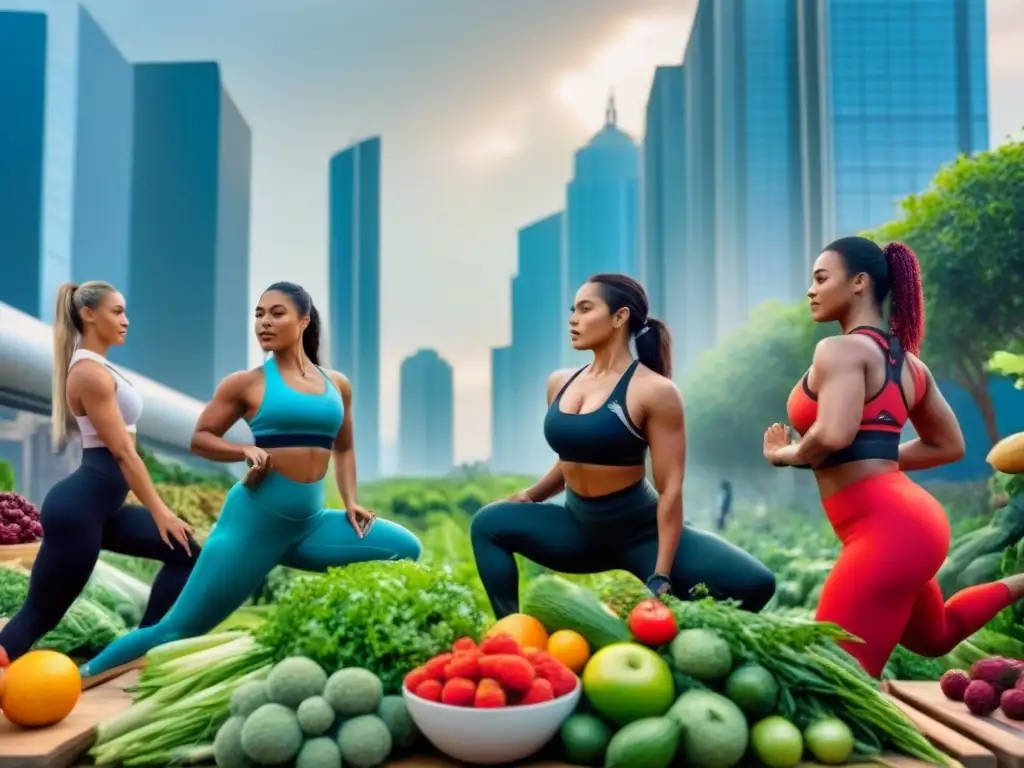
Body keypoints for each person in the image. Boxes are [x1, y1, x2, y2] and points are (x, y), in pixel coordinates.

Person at [80, 282, 422, 677]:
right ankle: (83, 675)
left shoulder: (336, 385)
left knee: (404, 548)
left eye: (277, 313)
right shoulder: (247, 383)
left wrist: (350, 501)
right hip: (252, 528)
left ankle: (360, 655)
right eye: (259, 314)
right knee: (176, 629)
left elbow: (344, 448)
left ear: (304, 320)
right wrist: (242, 451)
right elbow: (200, 438)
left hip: (309, 524)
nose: (264, 322)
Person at [764, 236, 1024, 678]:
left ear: (859, 283)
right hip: (908, 520)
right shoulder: (910, 365)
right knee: (933, 636)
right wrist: (877, 462)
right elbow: (948, 445)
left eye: (821, 278)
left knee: (837, 674)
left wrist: (784, 453)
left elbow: (833, 432)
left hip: (887, 530)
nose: (811, 289)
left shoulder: (839, 349)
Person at [471, 273, 776, 619]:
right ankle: (511, 635)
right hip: (578, 527)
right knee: (488, 523)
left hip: (640, 534)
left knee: (756, 583)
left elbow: (671, 488)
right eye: (573, 309)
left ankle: (690, 632)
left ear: (620, 317)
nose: (573, 318)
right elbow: (572, 457)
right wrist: (532, 495)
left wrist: (660, 575)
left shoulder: (654, 391)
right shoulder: (560, 382)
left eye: (586, 309)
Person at [0, 282, 198, 664]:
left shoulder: (102, 368)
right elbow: (123, 452)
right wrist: (161, 511)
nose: (125, 321)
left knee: (186, 552)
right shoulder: (88, 374)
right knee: (38, 616)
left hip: (101, 509)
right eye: (116, 311)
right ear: (88, 314)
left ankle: (141, 647)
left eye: (125, 312)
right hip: (79, 511)